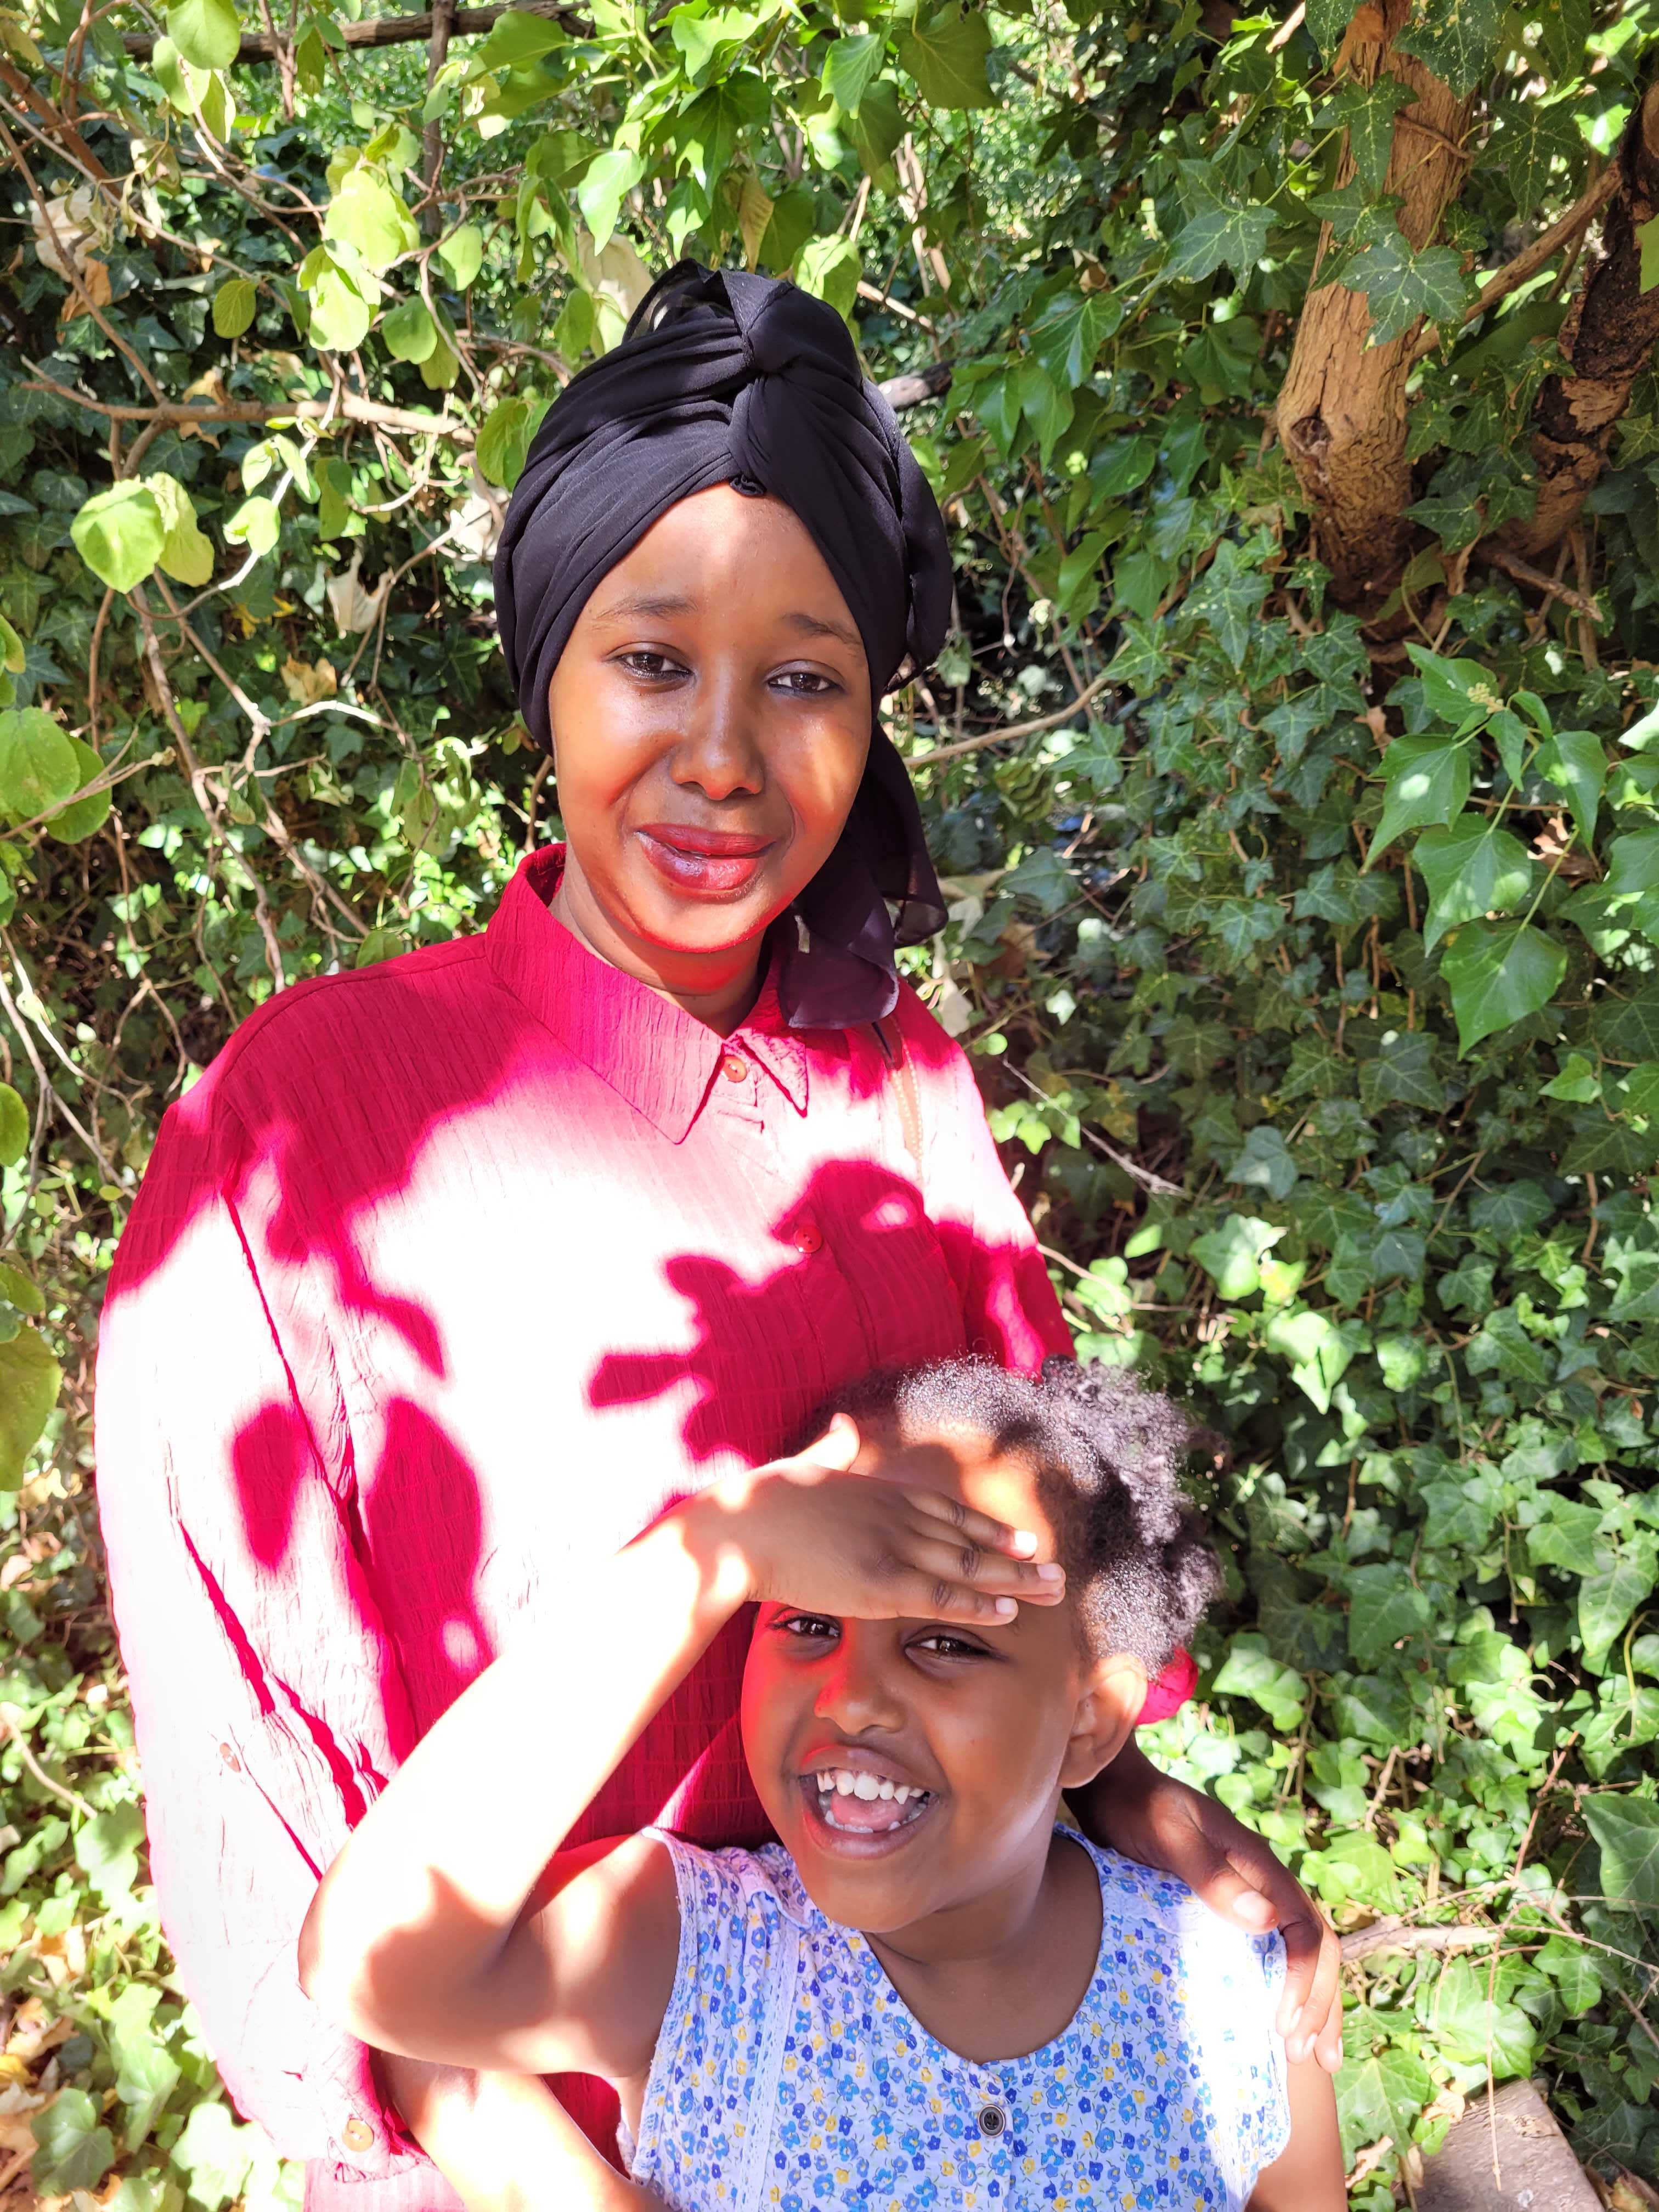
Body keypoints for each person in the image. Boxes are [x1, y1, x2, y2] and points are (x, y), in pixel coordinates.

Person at [94, 262, 1339, 2212]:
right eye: (653, 661)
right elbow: (293, 1864)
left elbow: (1037, 1553)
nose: (727, 761)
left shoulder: (900, 1084)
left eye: (806, 677)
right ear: (546, 663)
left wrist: (1143, 1804)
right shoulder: (305, 1131)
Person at [298, 1357, 1346, 2211]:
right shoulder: (707, 1958)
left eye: (945, 1640)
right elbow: (373, 1972)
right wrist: (717, 1549)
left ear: (1093, 1718)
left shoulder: (1236, 1995)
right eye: (803, 1619)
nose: (851, 1699)